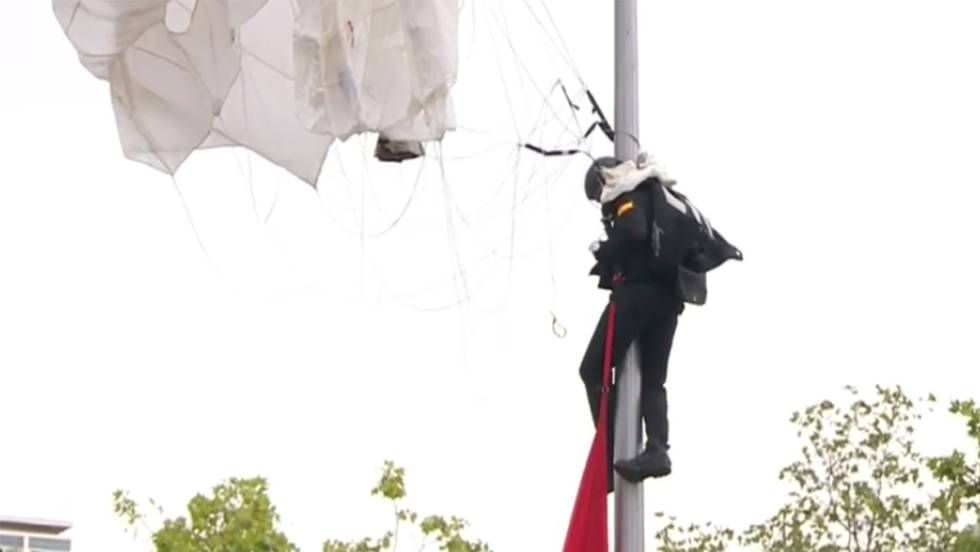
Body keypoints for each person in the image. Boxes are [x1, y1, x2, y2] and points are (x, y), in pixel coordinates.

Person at [579, 155, 741, 486]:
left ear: (603, 179)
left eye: (597, 196)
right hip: (670, 299)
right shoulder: (660, 195)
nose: (600, 203)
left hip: (637, 296)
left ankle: (608, 452)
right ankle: (656, 449)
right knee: (653, 381)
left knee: (592, 369)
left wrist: (605, 251)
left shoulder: (627, 195)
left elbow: (634, 232)